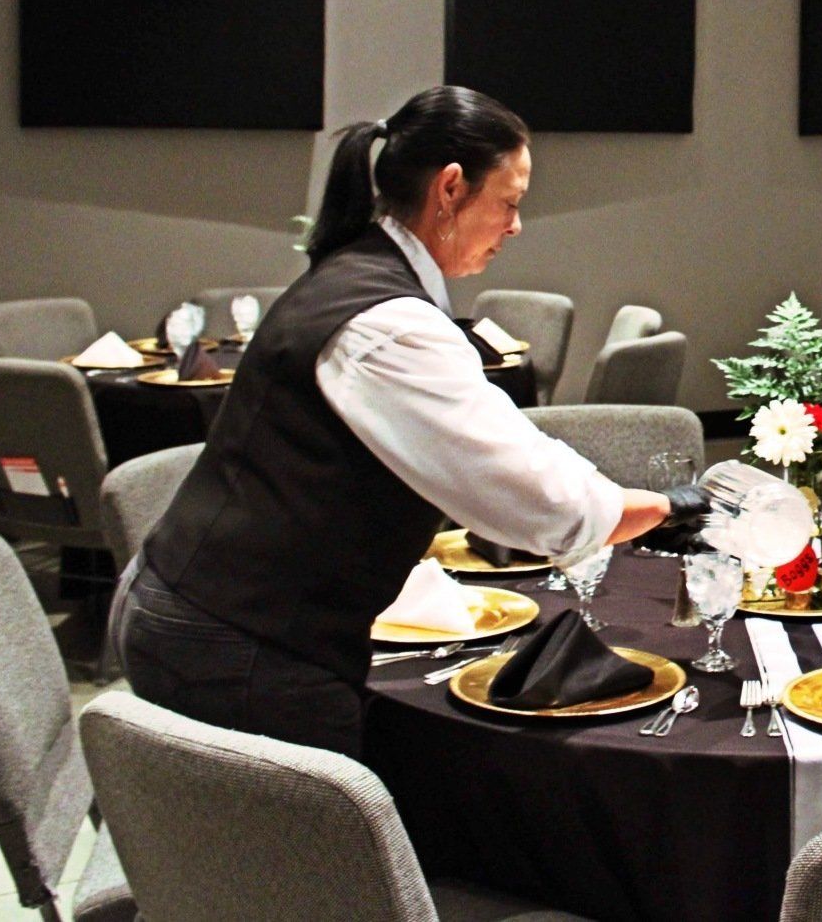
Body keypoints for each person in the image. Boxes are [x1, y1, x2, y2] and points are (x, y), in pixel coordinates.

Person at [115, 85, 705, 758]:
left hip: (202, 612)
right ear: (451, 188)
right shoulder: (388, 325)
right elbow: (532, 496)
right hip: (237, 645)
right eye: (509, 203)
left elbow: (509, 451)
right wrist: (675, 505)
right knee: (321, 857)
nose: (516, 226)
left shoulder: (355, 272)